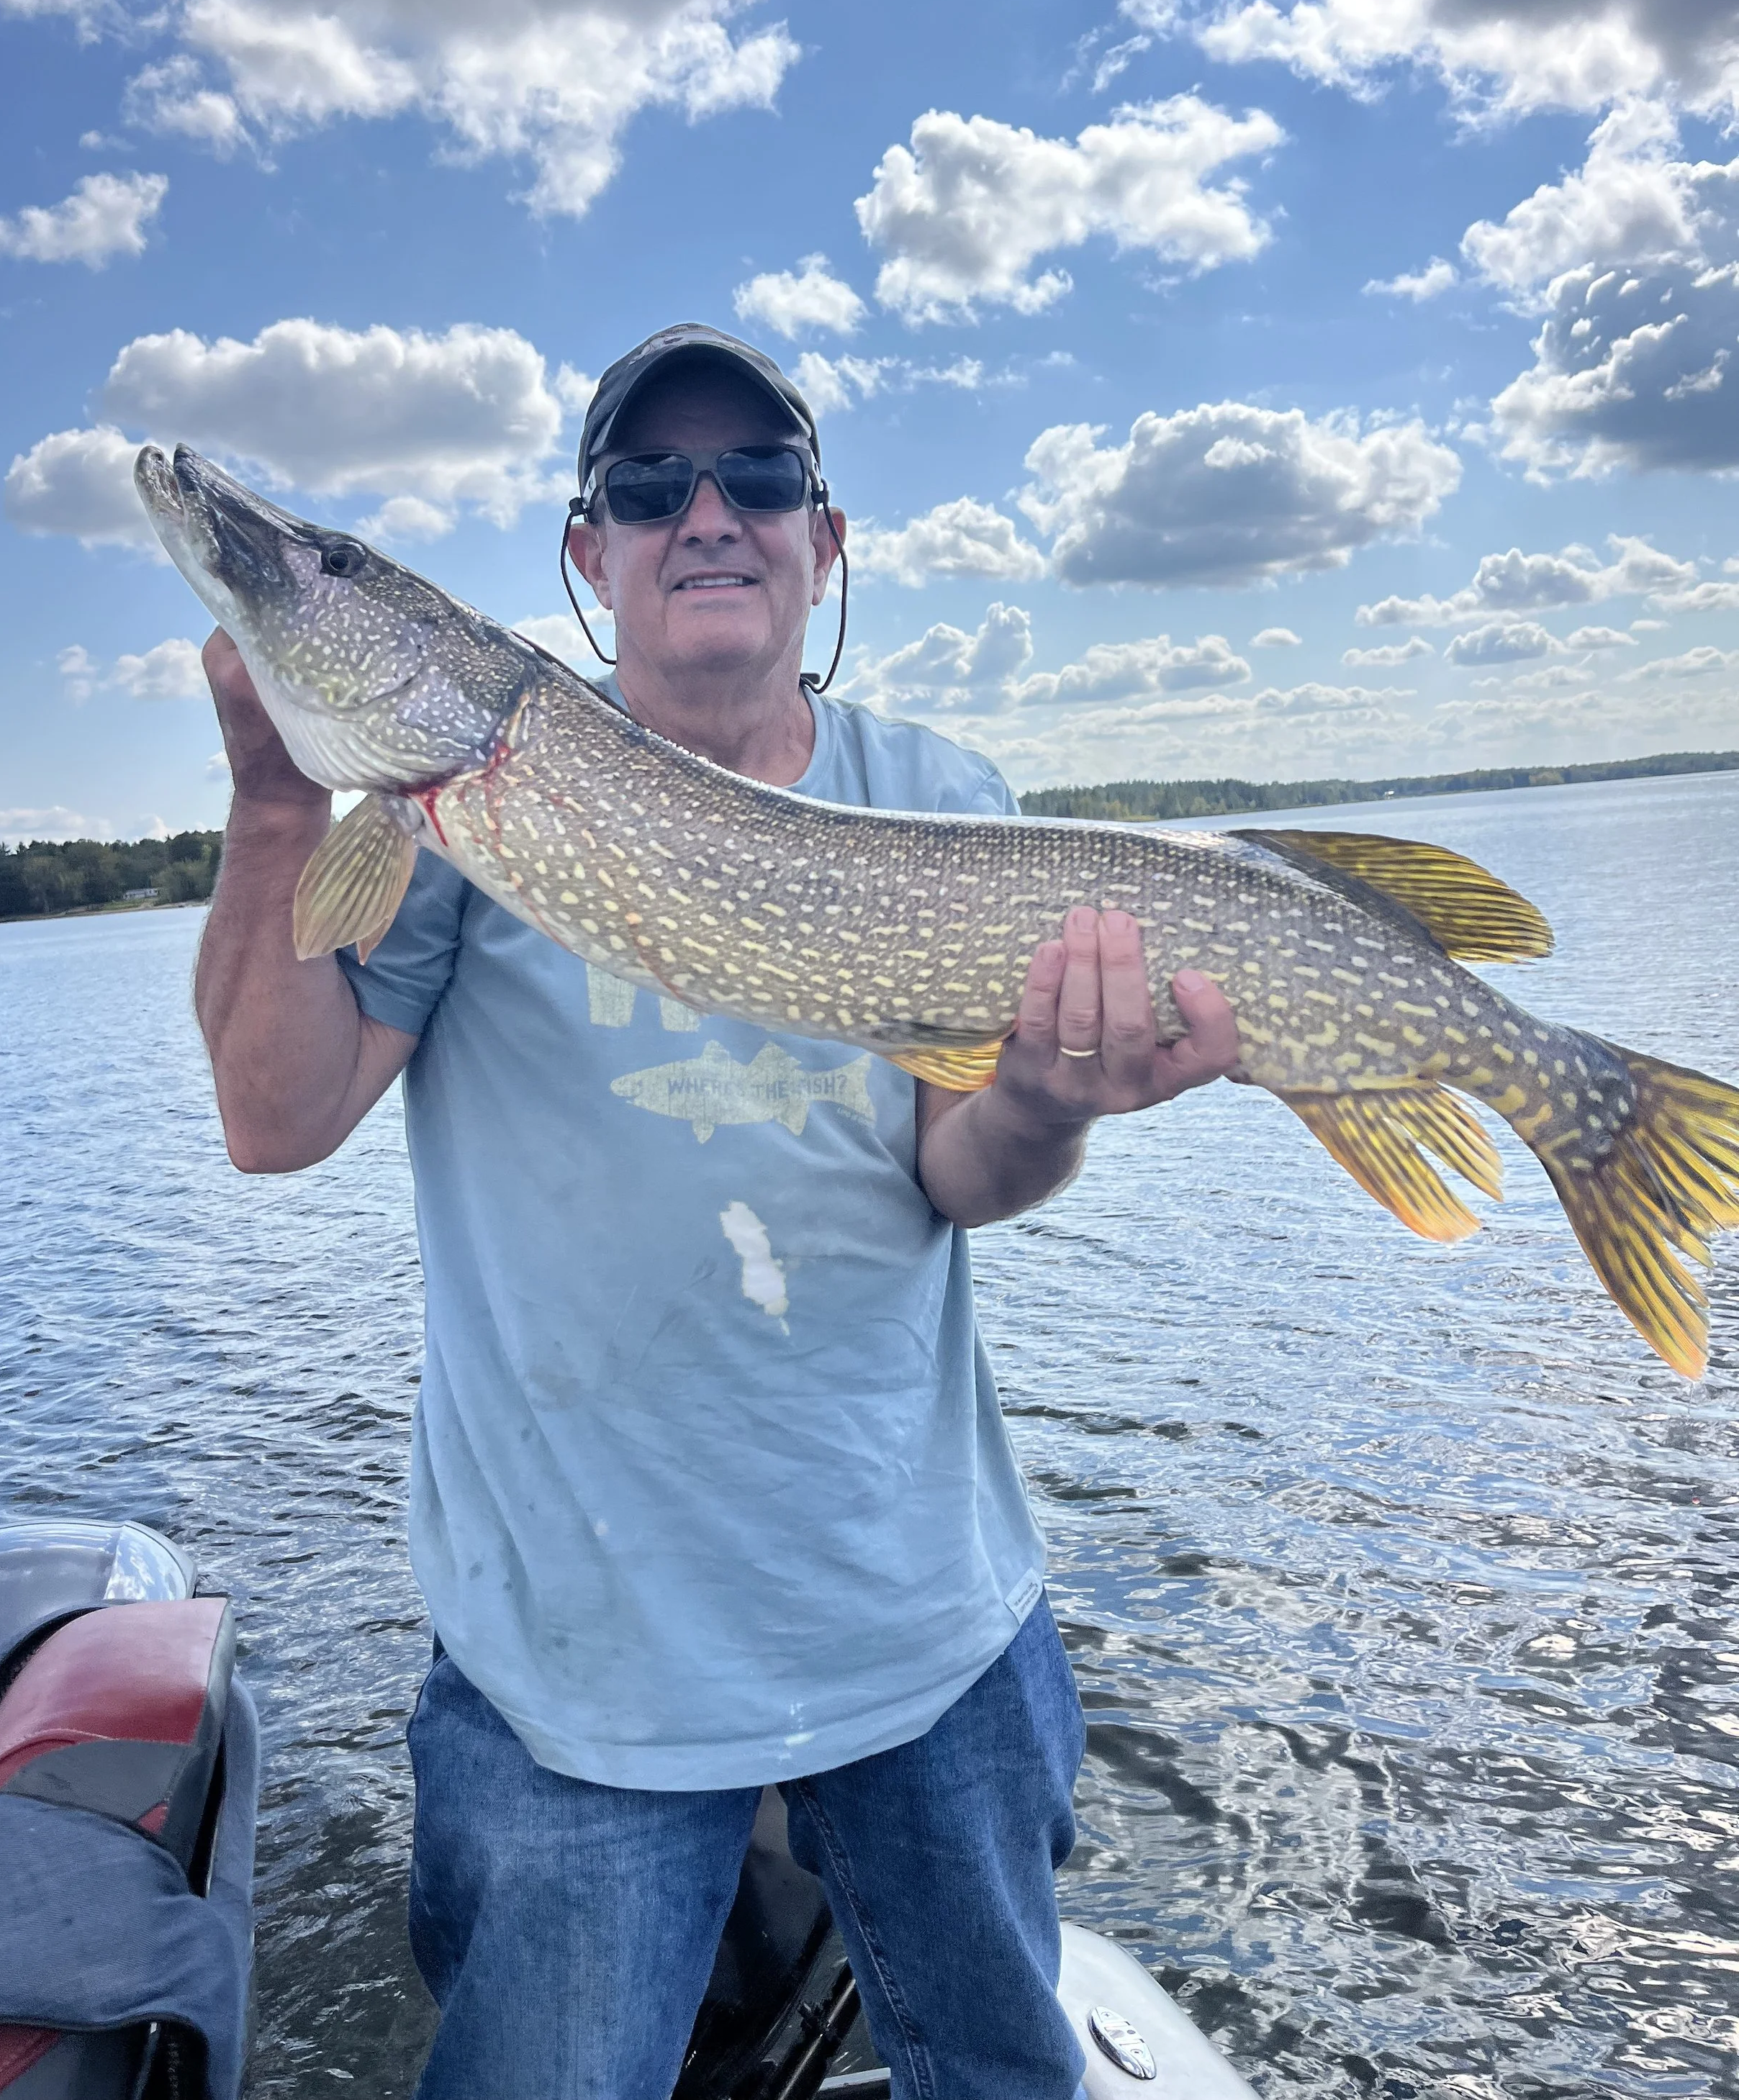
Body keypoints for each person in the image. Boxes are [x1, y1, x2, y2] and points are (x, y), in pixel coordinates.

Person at [196, 323, 1238, 2099]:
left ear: (820, 544)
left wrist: (1047, 1097)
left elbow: (957, 1170)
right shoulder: (441, 815)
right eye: (646, 483)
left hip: (926, 1631)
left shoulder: (935, 800)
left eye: (757, 479)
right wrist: (279, 796)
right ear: (584, 556)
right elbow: (272, 1117)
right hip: (571, 1684)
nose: (707, 514)